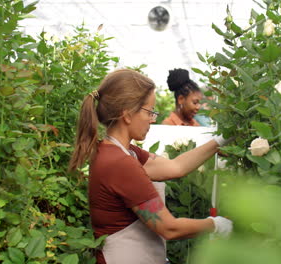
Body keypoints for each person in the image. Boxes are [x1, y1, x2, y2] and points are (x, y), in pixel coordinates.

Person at [68, 69, 232, 264]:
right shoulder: (120, 163)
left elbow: (175, 167)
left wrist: (219, 141)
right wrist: (216, 225)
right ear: (127, 114)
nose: (153, 119)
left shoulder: (122, 152)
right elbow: (168, 228)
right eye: (149, 111)